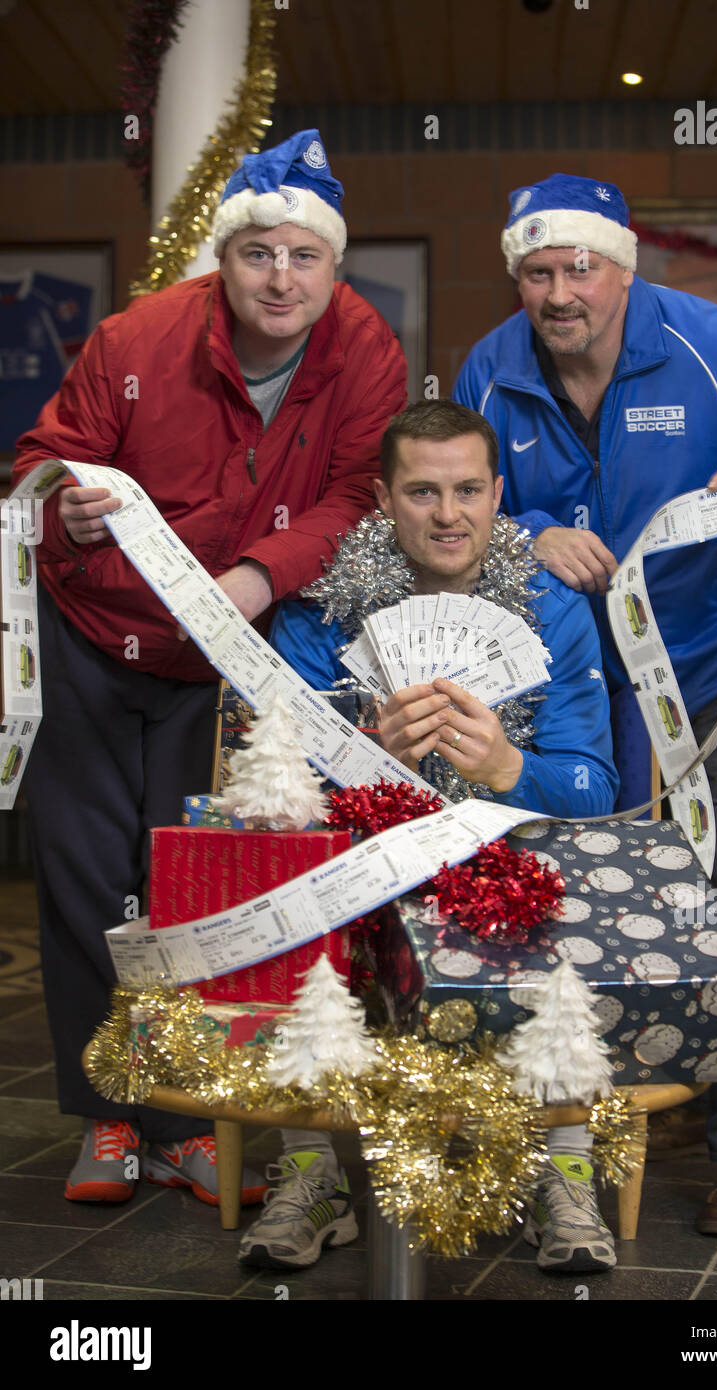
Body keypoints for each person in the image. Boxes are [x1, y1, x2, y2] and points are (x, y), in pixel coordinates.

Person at [453, 174, 717, 1238]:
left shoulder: (707, 344)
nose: (559, 292)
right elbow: (460, 499)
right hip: (586, 676)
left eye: (578, 267)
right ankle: (601, 1109)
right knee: (587, 888)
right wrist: (525, 531)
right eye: (537, 272)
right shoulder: (489, 372)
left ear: (620, 267)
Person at [11, 130, 407, 1208]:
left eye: (303, 257)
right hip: (91, 638)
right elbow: (38, 464)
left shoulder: (365, 349)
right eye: (257, 255)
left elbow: (353, 496)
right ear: (222, 262)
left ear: (332, 266)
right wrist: (71, 516)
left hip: (227, 647)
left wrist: (254, 577)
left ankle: (185, 1120)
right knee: (90, 881)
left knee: (189, 888)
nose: (281, 278)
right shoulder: (136, 336)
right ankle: (106, 1115)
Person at [245, 399, 620, 1274]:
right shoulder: (324, 608)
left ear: (498, 494)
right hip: (364, 862)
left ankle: (563, 1168)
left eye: (465, 491)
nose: (447, 515)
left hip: (501, 852)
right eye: (421, 492)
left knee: (549, 882)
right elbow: (276, 785)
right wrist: (362, 760)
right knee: (292, 890)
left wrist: (504, 768)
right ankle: (308, 1170)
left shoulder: (551, 608)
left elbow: (592, 787)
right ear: (383, 498)